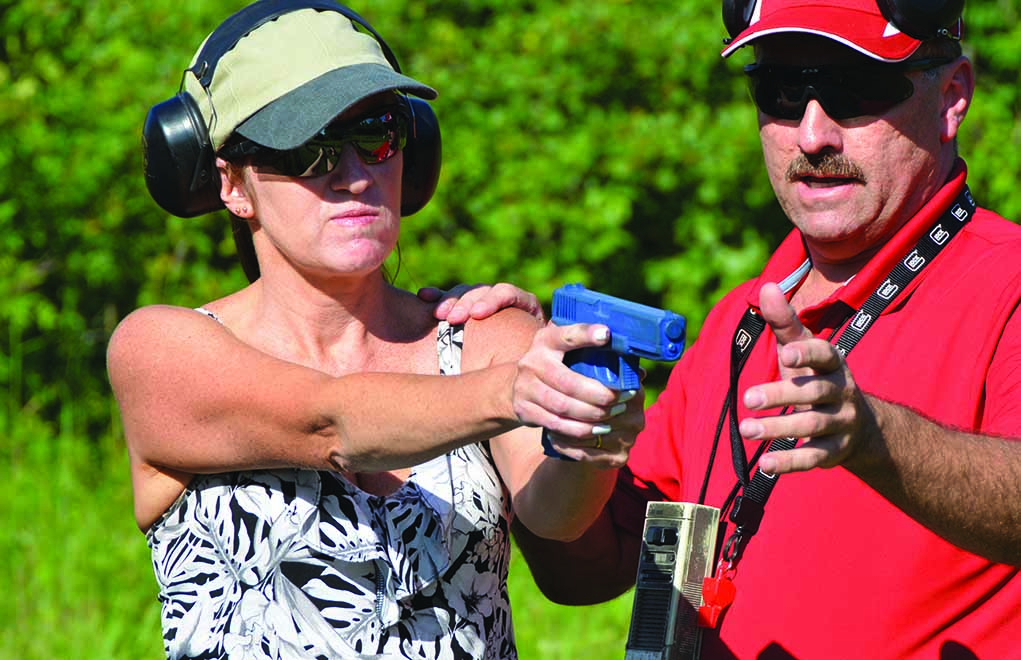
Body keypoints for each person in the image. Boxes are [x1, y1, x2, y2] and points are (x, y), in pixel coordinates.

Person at [106, 2, 644, 659]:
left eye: (377, 134)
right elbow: (328, 425)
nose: (355, 174)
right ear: (231, 183)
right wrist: (517, 391)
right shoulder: (162, 349)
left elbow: (557, 516)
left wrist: (591, 430)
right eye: (308, 150)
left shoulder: (483, 337)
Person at [498, 1, 1021, 658]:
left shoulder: (1008, 285)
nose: (811, 135)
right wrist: (531, 384)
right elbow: (582, 569)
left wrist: (870, 437)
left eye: (853, 91)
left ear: (952, 98)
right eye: (780, 90)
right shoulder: (738, 319)